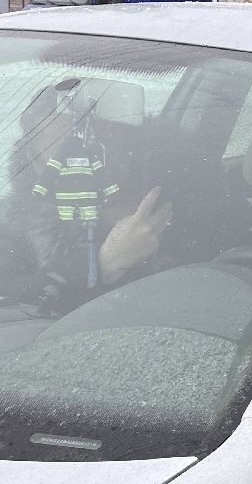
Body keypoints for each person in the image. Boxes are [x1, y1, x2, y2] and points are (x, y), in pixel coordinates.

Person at [1, 79, 170, 314]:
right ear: (32, 152)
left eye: (82, 134)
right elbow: (12, 301)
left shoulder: (168, 197)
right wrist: (103, 262)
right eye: (59, 147)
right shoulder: (13, 226)